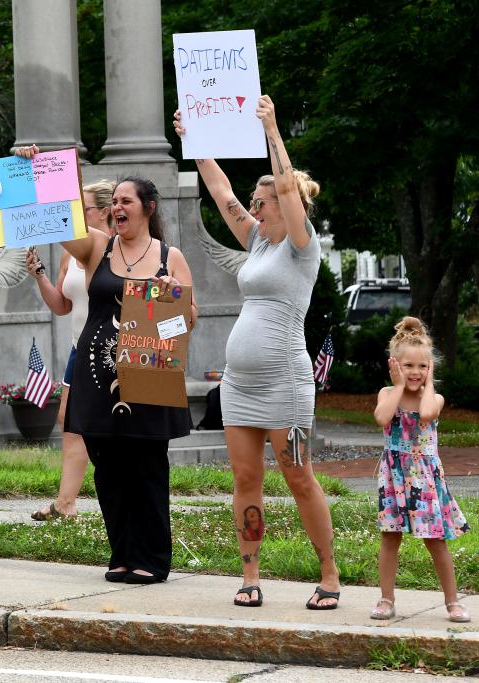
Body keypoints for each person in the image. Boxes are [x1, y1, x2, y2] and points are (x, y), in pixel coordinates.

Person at [175, 97, 341, 609]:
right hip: (241, 385)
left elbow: (286, 185)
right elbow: (221, 191)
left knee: (298, 475)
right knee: (246, 479)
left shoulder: (300, 244)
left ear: (284, 207)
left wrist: (271, 128)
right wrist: (196, 144)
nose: (253, 204)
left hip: (285, 383)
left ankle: (330, 576)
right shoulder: (257, 244)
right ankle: (250, 578)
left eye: (261, 199)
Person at [60, 173, 197, 585]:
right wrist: (40, 173)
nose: (117, 207)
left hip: (148, 374)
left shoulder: (169, 256)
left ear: (148, 208)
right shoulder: (98, 247)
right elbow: (56, 223)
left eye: (126, 201)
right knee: (108, 468)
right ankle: (121, 554)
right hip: (97, 376)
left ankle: (152, 559)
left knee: (146, 466)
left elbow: (187, 324)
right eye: (114, 201)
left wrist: (172, 298)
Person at [370, 317, 470, 623]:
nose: (415, 372)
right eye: (408, 366)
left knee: (435, 540)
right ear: (395, 365)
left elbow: (426, 413)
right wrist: (399, 386)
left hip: (424, 479)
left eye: (422, 366)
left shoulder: (434, 397)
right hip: (394, 477)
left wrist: (431, 381)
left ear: (430, 369)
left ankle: (452, 602)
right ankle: (386, 599)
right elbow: (381, 418)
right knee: (390, 538)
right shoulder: (388, 394)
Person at [28, 179, 115, 521]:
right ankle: (66, 502)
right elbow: (63, 306)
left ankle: (106, 490)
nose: (76, 214)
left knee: (101, 425)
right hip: (79, 349)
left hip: (109, 352)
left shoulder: (113, 249)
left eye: (83, 208)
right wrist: (40, 278)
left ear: (106, 212)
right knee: (69, 421)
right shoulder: (69, 254)